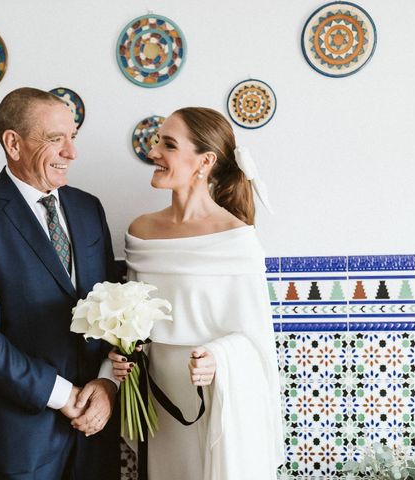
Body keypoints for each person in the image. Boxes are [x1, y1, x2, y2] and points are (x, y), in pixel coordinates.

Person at [0, 87, 120, 480]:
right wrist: (63, 395)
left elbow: (116, 312)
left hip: (96, 429)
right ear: (13, 143)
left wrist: (107, 385)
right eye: (56, 140)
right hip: (23, 438)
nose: (72, 153)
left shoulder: (89, 208)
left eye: (73, 138)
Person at [110, 107, 283, 479]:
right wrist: (123, 356)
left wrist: (220, 359)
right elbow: (134, 318)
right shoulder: (140, 232)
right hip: (156, 402)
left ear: (205, 161)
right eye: (157, 141)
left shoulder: (237, 239)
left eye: (167, 144)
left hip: (212, 399)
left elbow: (256, 343)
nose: (153, 152)